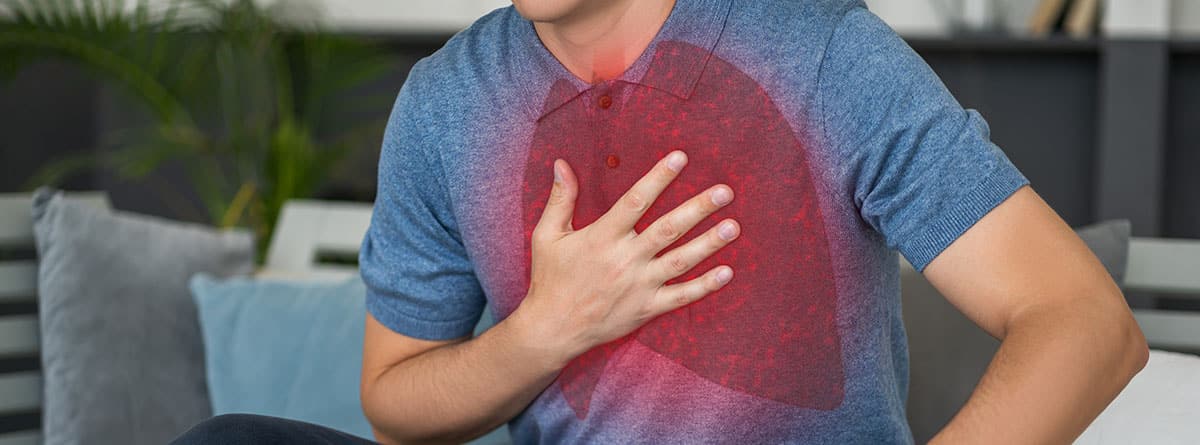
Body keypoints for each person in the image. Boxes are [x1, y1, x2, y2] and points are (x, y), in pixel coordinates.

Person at [173, 0, 1148, 443]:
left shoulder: (825, 51)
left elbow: (1083, 319)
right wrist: (542, 333)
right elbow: (393, 407)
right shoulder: (445, 103)